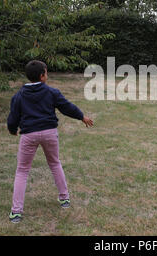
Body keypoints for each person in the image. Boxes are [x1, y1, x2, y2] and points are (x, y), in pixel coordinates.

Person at [7, 60, 94, 223]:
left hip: (29, 135)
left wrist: (12, 130)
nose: (47, 75)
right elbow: (67, 107)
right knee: (54, 163)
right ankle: (65, 199)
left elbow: (13, 117)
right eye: (46, 72)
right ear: (42, 76)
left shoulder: (18, 96)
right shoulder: (51, 92)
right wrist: (82, 116)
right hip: (49, 133)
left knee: (22, 171)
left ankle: (16, 212)